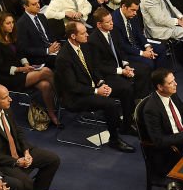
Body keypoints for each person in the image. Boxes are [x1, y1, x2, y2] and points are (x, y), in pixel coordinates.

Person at [55, 20, 136, 152]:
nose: (87, 35)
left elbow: (94, 69)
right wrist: (96, 91)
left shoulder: (84, 46)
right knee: (110, 104)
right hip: (76, 96)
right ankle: (114, 140)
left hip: (92, 86)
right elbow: (72, 87)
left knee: (126, 89)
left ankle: (126, 125)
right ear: (73, 36)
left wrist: (102, 82)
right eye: (83, 33)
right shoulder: (63, 58)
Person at [0, 83, 62, 190]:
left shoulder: (6, 109)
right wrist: (17, 162)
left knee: (53, 160)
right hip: (4, 162)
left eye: (8, 95)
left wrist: (26, 151)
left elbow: (18, 132)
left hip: (19, 152)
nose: (10, 99)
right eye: (5, 98)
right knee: (26, 183)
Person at [0, 14, 60, 126]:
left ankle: (52, 114)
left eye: (12, 22)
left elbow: (21, 53)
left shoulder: (12, 36)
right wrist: (21, 69)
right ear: (0, 25)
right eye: (8, 23)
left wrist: (26, 64)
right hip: (8, 77)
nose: (12, 25)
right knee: (45, 71)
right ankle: (63, 96)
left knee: (45, 85)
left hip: (21, 72)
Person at [140, 68, 183, 170]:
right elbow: (159, 141)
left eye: (174, 80)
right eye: (171, 83)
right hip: (172, 149)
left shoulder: (171, 93)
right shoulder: (151, 109)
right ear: (160, 87)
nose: (176, 84)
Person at [16, 0, 63, 68]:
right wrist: (47, 50)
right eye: (34, 4)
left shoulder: (42, 16)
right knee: (64, 60)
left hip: (52, 50)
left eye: (38, 2)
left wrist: (55, 44)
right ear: (25, 6)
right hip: (39, 58)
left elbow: (50, 35)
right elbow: (25, 49)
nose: (38, 6)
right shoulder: (21, 24)